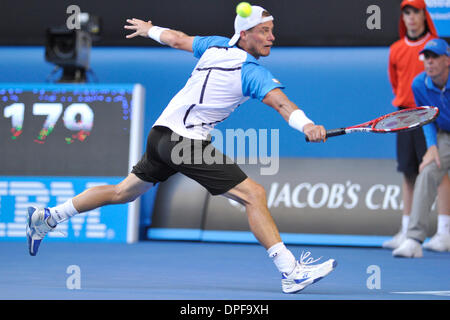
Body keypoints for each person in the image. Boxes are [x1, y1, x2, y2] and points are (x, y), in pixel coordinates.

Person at [25, 5, 337, 293]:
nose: (272, 36)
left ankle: (49, 216)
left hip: (160, 135)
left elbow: (177, 40)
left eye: (272, 30)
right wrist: (307, 125)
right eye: (264, 30)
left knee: (124, 192)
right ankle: (290, 272)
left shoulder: (215, 44)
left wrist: (150, 30)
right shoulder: (251, 71)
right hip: (183, 141)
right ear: (245, 34)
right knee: (253, 195)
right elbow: (281, 103)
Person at [383, 0, 450, 250]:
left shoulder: (435, 44)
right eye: (406, 13)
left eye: (416, 12)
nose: (411, 18)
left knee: (438, 171)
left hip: (433, 118)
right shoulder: (399, 54)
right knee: (415, 170)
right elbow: (396, 83)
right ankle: (409, 232)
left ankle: (445, 230)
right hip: (408, 116)